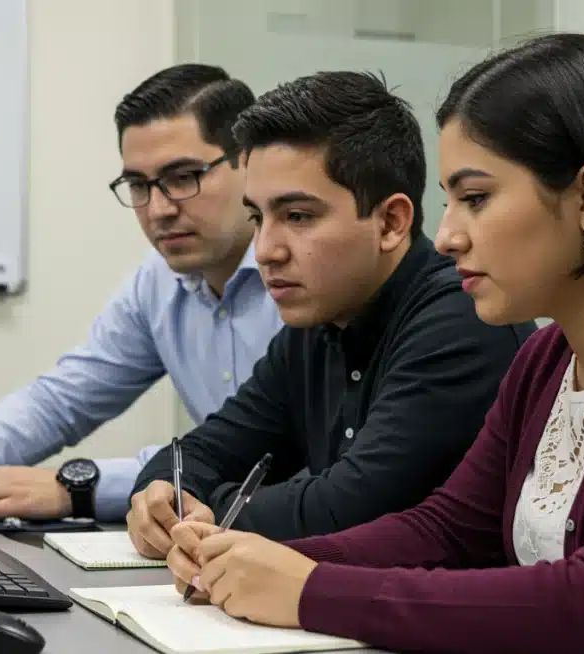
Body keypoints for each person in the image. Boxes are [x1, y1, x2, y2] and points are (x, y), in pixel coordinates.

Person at [163, 33, 584, 653]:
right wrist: (245, 556)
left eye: (476, 198)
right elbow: (447, 531)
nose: (447, 237)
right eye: (448, 202)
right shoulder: (546, 359)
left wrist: (310, 590)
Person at [0, 64, 284, 524]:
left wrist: (79, 487)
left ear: (249, 163)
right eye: (139, 185)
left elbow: (283, 458)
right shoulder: (159, 281)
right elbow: (66, 397)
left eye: (184, 176)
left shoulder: (302, 279)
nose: (159, 209)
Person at [126, 71, 535, 557]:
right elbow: (198, 452)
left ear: (390, 222)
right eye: (258, 217)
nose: (265, 251)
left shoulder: (463, 318)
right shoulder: (319, 321)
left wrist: (204, 511)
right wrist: (162, 494)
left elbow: (346, 509)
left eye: (297, 216)